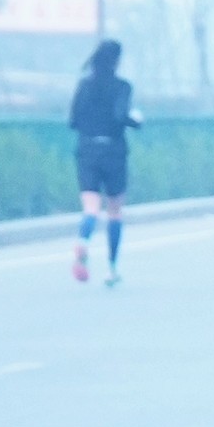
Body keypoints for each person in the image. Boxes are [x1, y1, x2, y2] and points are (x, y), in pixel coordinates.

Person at [69, 39, 140, 287]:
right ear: (117, 61)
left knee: (91, 208)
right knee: (114, 211)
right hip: (113, 151)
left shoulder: (84, 85)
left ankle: (83, 241)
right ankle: (112, 268)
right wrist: (136, 121)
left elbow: (73, 121)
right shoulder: (122, 87)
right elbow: (121, 116)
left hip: (87, 150)